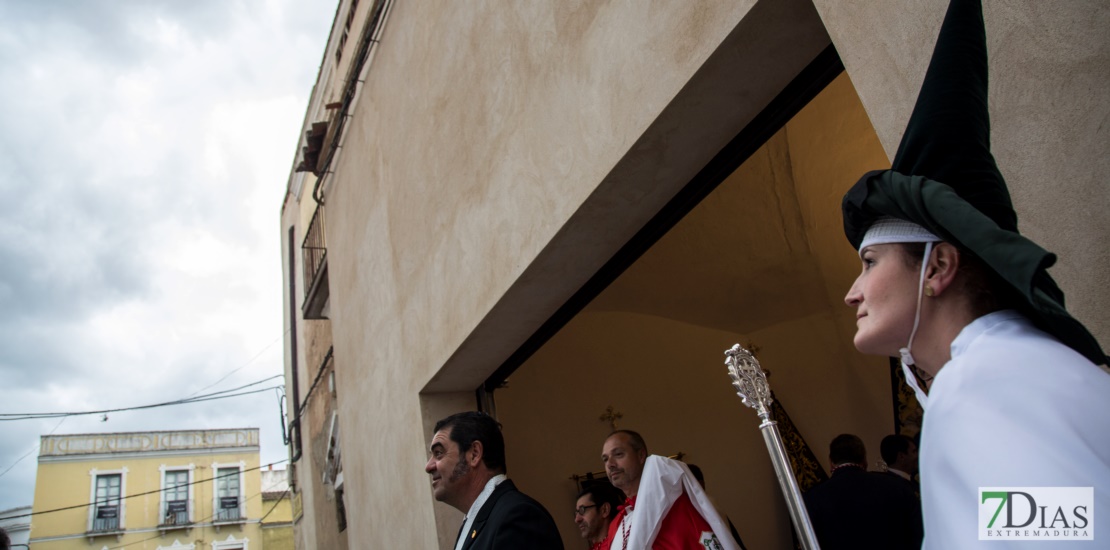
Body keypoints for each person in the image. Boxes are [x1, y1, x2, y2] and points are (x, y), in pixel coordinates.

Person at [839, 0, 1110, 547]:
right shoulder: (1010, 370)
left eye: (869, 264)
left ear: (937, 266)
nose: (853, 293)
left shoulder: (982, 386)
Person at [425, 411, 563, 550]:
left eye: (439, 453)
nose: (428, 466)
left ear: (474, 454)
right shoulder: (477, 521)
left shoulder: (517, 516)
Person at [599, 430, 739, 550]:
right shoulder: (617, 523)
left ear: (641, 456)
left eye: (618, 454)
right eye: (605, 459)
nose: (610, 464)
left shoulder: (679, 506)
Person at [803, 434, 922, 550]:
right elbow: (917, 536)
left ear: (831, 462)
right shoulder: (897, 487)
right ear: (864, 460)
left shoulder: (814, 497)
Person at [575, 484, 623, 550]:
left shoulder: (624, 542)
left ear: (604, 510)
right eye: (577, 513)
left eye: (582, 510)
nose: (577, 519)